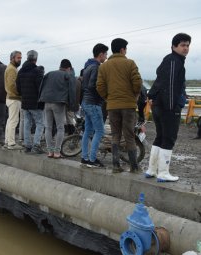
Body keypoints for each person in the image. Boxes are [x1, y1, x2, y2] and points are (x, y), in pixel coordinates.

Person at [145, 33, 191, 182]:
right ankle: (163, 173)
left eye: (188, 45)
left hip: (159, 105)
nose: (186, 48)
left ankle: (152, 170)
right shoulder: (174, 61)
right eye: (183, 45)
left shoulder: (170, 60)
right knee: (169, 138)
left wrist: (152, 96)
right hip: (167, 107)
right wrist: (174, 106)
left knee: (160, 137)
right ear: (174, 46)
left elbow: (159, 82)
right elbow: (170, 86)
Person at [97, 38, 142, 173]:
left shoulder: (104, 66)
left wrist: (108, 98)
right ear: (122, 49)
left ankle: (116, 166)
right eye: (126, 49)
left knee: (115, 134)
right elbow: (137, 83)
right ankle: (134, 167)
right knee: (129, 135)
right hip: (128, 105)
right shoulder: (130, 63)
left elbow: (99, 86)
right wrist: (134, 96)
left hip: (112, 105)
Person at [39, 59, 77, 158]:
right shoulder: (67, 76)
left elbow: (41, 87)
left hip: (46, 102)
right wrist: (73, 106)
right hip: (59, 103)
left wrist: (40, 101)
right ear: (68, 68)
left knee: (48, 127)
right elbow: (72, 91)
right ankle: (57, 152)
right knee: (60, 127)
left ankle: (50, 151)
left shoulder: (49, 74)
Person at [80, 43, 109, 168]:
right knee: (100, 131)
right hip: (93, 103)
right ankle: (92, 160)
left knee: (88, 131)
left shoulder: (87, 66)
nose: (106, 57)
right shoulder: (97, 67)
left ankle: (84, 157)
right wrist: (103, 97)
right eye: (106, 54)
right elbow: (94, 86)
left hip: (86, 102)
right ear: (101, 54)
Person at [16, 50, 45, 154]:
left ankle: (27, 146)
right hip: (35, 103)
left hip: (25, 102)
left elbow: (18, 88)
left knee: (27, 124)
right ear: (36, 59)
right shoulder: (37, 71)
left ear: (27, 58)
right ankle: (36, 146)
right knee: (40, 123)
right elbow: (40, 88)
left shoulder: (21, 71)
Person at [4, 50, 23, 150]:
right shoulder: (12, 69)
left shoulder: (11, 68)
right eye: (18, 58)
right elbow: (12, 85)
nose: (20, 60)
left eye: (20, 58)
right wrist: (19, 93)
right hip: (13, 98)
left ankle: (7, 141)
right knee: (13, 121)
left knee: (10, 120)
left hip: (10, 98)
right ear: (12, 58)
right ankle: (11, 143)